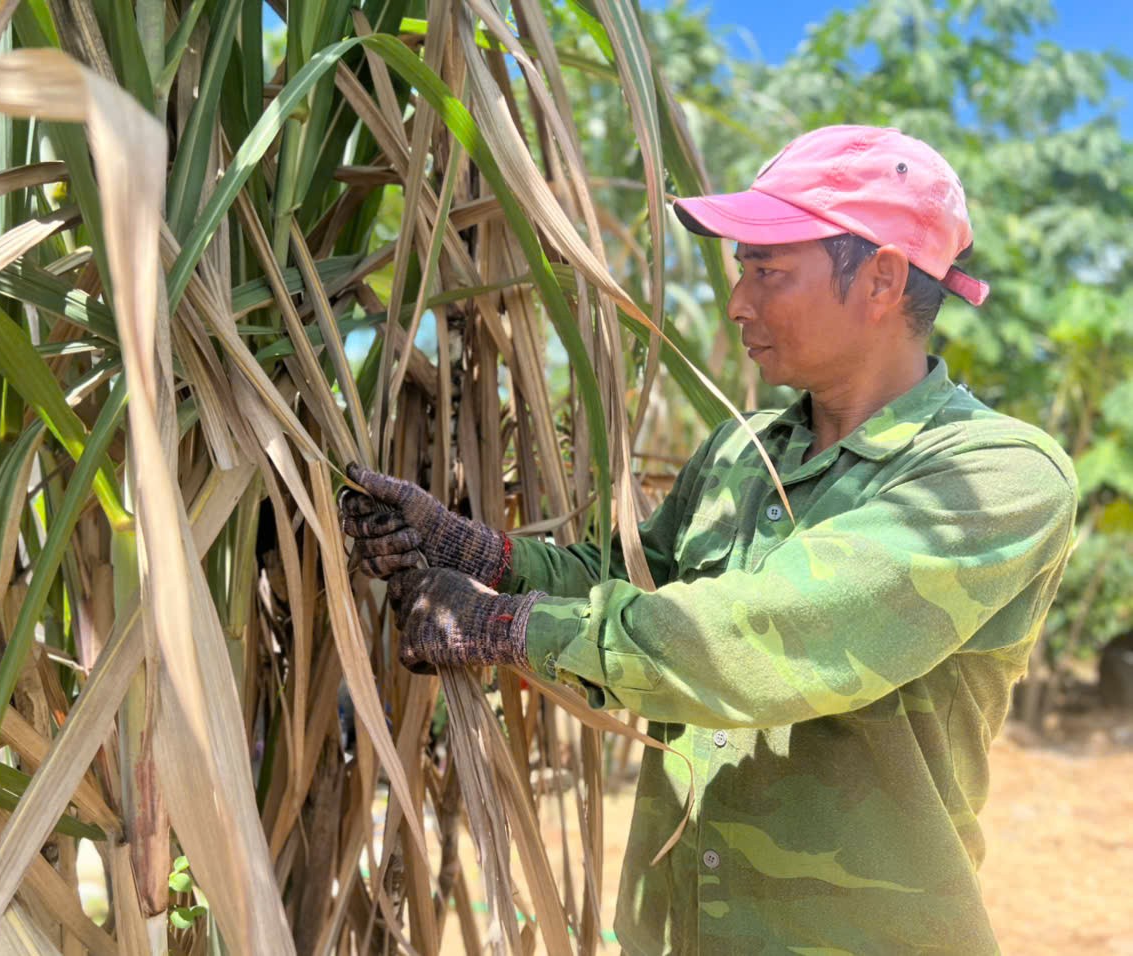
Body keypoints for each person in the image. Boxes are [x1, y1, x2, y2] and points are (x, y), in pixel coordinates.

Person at [340, 125, 1077, 955]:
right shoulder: (741, 450)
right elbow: (624, 582)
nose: (737, 303)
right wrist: (478, 555)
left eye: (767, 271)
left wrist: (500, 625)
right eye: (740, 270)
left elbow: (765, 636)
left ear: (882, 278)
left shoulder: (996, 476)